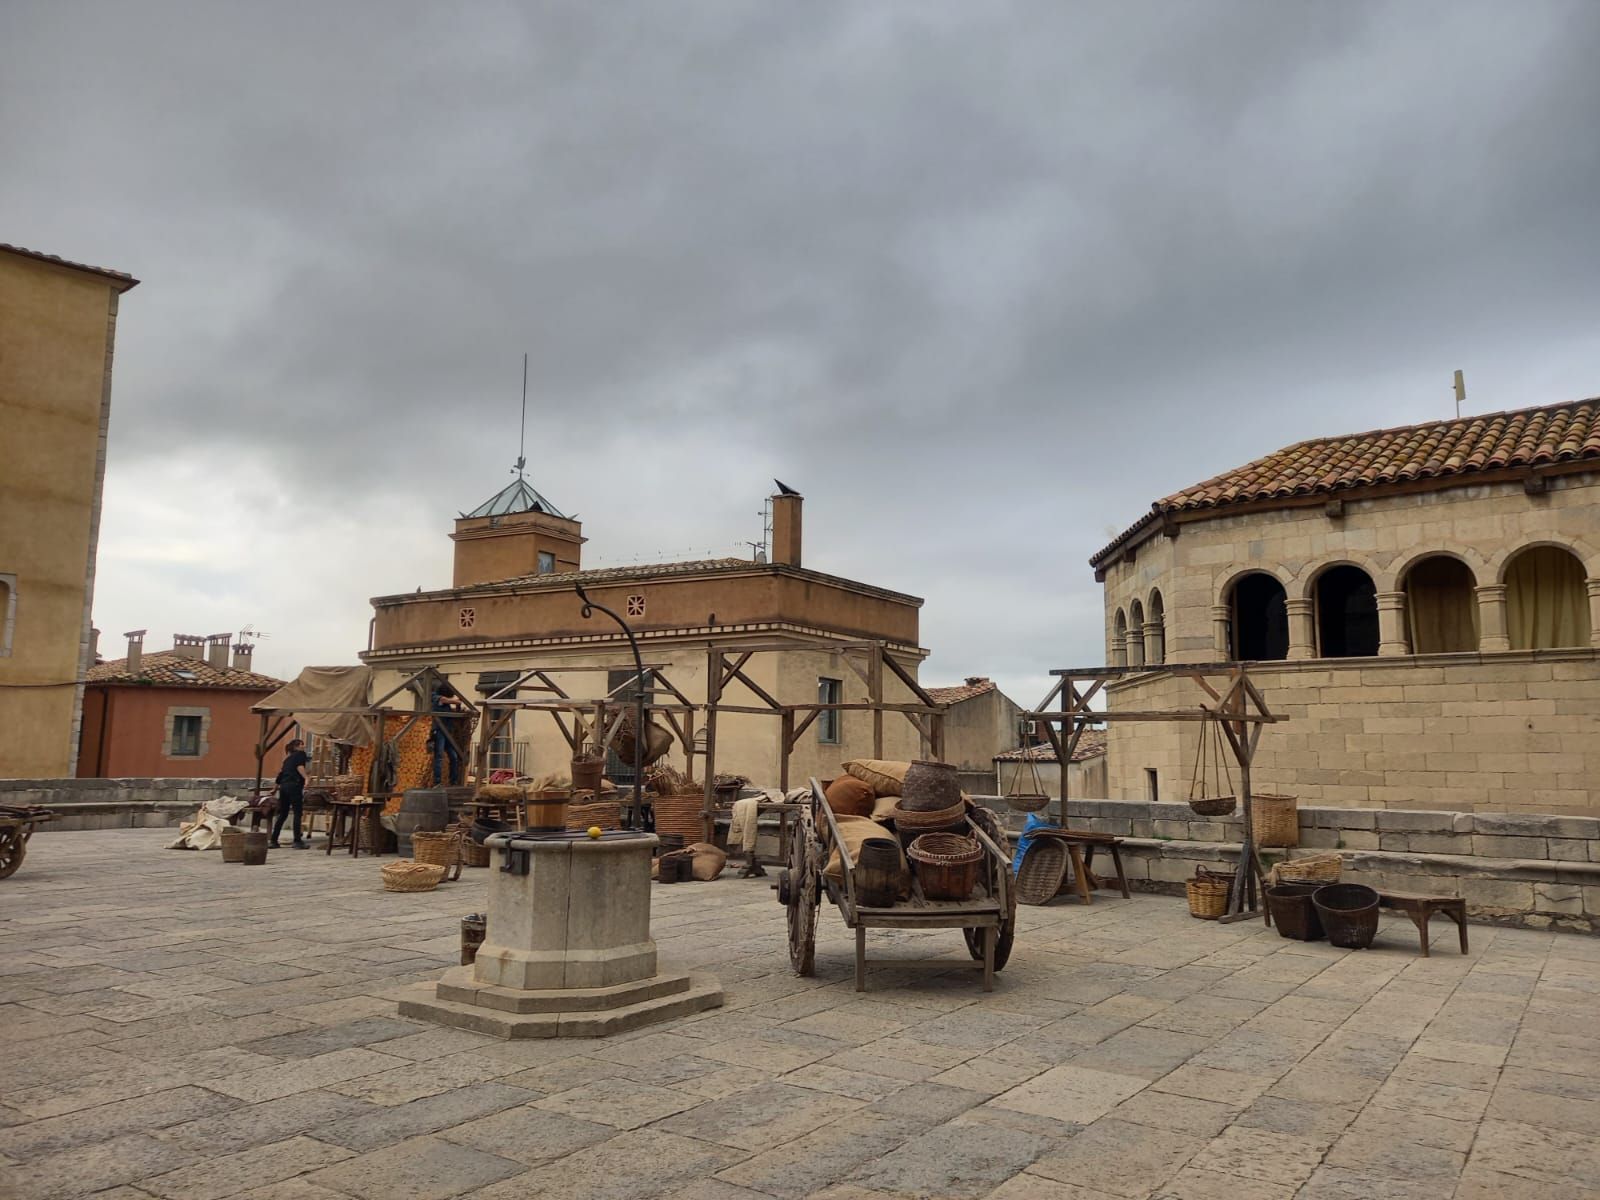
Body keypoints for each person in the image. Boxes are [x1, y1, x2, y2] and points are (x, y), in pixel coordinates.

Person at [272, 738, 310, 849]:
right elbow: (300, 767)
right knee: (297, 813)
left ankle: (274, 840)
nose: (303, 746)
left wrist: (275, 788)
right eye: (301, 744)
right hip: (294, 786)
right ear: (296, 747)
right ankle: (297, 841)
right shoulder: (300, 755)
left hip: (284, 787)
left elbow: (280, 775)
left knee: (283, 814)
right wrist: (306, 778)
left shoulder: (287, 760)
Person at [430, 682, 464, 786]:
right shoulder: (435, 697)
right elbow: (444, 700)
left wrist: (458, 705)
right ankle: (437, 782)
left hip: (447, 732)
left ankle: (453, 781)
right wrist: (457, 701)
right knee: (439, 756)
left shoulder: (446, 703)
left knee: (453, 757)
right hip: (439, 731)